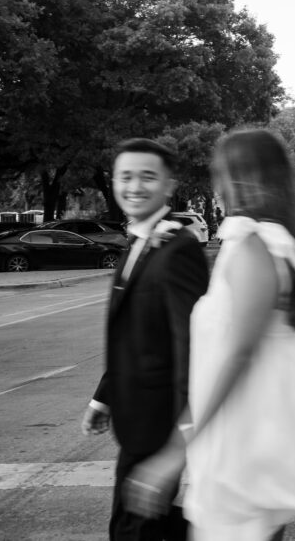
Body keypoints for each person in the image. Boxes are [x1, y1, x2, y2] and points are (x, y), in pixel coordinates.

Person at [124, 129, 295, 540]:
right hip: (254, 436)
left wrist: (176, 448)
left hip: (244, 440)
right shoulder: (274, 241)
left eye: (220, 174)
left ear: (238, 179)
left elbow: (238, 353)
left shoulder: (253, 245)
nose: (216, 188)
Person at [81, 138, 210, 541]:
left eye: (147, 177)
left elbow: (193, 350)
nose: (134, 187)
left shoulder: (177, 249)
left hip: (160, 425)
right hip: (137, 421)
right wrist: (104, 397)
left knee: (134, 531)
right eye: (126, 176)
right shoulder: (139, 240)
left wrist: (177, 448)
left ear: (169, 185)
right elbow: (133, 334)